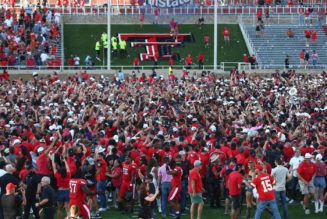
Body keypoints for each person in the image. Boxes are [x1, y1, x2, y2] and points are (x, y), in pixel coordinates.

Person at [51, 153, 71, 219]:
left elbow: (54, 167)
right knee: (68, 210)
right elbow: (68, 168)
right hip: (67, 192)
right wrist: (64, 160)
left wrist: (53, 159)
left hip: (60, 192)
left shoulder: (58, 176)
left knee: (59, 209)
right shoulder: (68, 175)